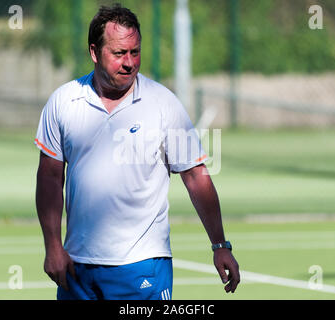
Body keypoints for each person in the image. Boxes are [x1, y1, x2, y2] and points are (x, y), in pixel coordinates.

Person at [35, 3, 240, 300]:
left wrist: (220, 246)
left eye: (135, 52)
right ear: (94, 52)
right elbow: (50, 179)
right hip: (78, 267)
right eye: (119, 53)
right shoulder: (64, 102)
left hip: (144, 265)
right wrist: (52, 245)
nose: (129, 62)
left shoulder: (163, 103)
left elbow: (196, 176)